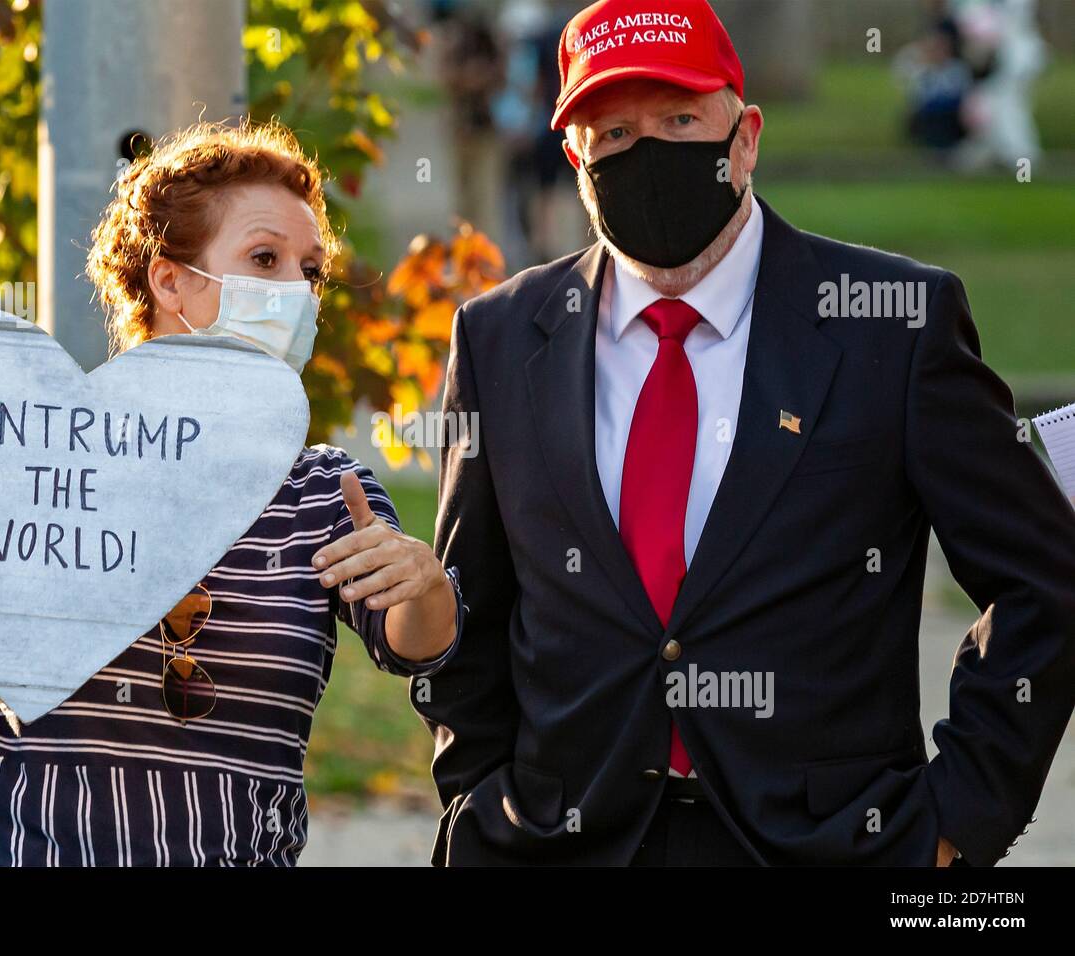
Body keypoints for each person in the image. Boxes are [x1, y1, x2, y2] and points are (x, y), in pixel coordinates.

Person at [414, 0, 1075, 866]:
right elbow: (466, 604)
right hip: (560, 840)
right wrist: (480, 795)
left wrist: (955, 820)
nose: (646, 152)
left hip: (828, 843)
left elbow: (1042, 581)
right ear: (575, 159)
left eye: (681, 119)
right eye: (612, 134)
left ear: (747, 138)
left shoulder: (894, 324)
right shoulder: (499, 334)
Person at [0, 120, 463, 867]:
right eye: (265, 258)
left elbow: (418, 646)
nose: (297, 290)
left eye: (311, 270)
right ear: (171, 281)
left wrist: (425, 583)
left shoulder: (323, 491)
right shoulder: (35, 452)